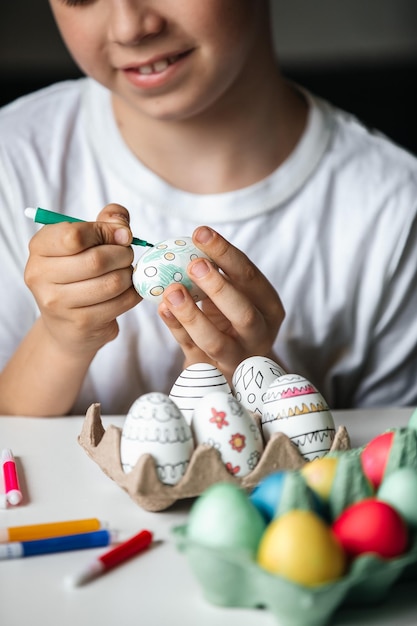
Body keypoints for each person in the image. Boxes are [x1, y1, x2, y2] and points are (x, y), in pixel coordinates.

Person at [1, 1, 417, 417]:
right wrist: (60, 339)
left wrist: (254, 376)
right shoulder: (16, 158)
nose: (130, 28)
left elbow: (390, 459)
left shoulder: (393, 207)